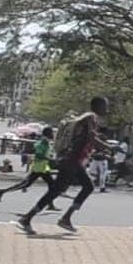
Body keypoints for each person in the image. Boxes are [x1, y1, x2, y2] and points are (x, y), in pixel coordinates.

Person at [16, 97, 111, 234]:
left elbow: (88, 139)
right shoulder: (91, 117)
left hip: (73, 161)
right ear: (98, 105)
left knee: (58, 190)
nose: (106, 109)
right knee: (80, 187)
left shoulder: (89, 119)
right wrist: (108, 146)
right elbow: (91, 137)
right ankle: (49, 218)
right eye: (105, 105)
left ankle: (35, 218)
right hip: (72, 161)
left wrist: (103, 147)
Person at [0, 128, 56, 208]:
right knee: (27, 184)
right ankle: (2, 191)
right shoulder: (43, 143)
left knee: (51, 185)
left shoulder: (45, 142)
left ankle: (50, 204)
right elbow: (39, 155)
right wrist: (50, 159)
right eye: (52, 132)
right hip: (40, 167)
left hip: (43, 167)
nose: (53, 134)